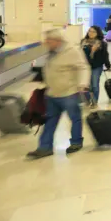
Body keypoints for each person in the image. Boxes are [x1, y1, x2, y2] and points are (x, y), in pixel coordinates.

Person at [26, 29, 91, 159]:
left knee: (75, 119)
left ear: (57, 40)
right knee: (50, 121)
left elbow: (83, 67)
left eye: (49, 41)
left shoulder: (72, 51)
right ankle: (45, 147)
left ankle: (76, 142)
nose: (46, 43)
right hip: (52, 94)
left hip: (69, 93)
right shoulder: (52, 52)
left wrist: (83, 84)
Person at [80, 26, 111, 107]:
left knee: (94, 85)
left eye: (93, 32)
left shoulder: (102, 43)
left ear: (97, 33)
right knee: (87, 85)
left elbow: (105, 55)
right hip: (85, 67)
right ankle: (88, 101)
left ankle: (94, 102)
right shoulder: (83, 42)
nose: (90, 33)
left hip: (96, 67)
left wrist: (108, 65)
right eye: (89, 31)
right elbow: (79, 55)